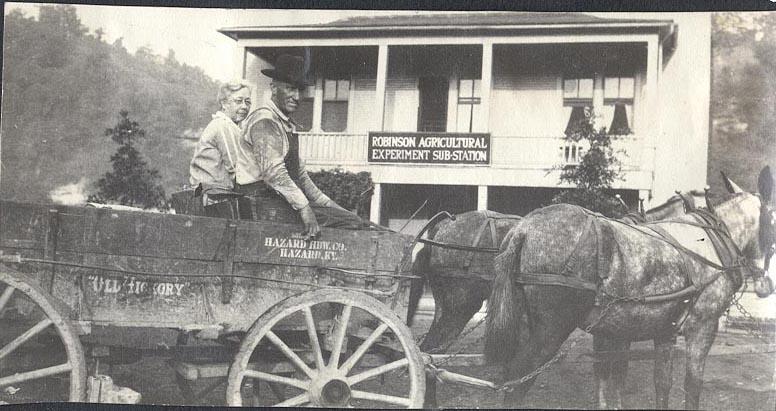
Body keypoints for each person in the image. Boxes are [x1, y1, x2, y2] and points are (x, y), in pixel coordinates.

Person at [235, 54, 380, 238]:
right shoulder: (265, 122)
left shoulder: (284, 123)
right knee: (350, 225)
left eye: (300, 90)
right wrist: (305, 210)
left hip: (278, 202)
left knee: (352, 220)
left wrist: (333, 207)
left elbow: (300, 176)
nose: (297, 97)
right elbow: (274, 174)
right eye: (290, 89)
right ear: (273, 88)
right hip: (259, 204)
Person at [189, 81, 252, 215]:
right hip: (213, 201)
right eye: (238, 101)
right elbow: (237, 169)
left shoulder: (231, 127)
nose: (244, 106)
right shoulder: (223, 126)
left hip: (216, 197)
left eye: (248, 102)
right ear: (224, 103)